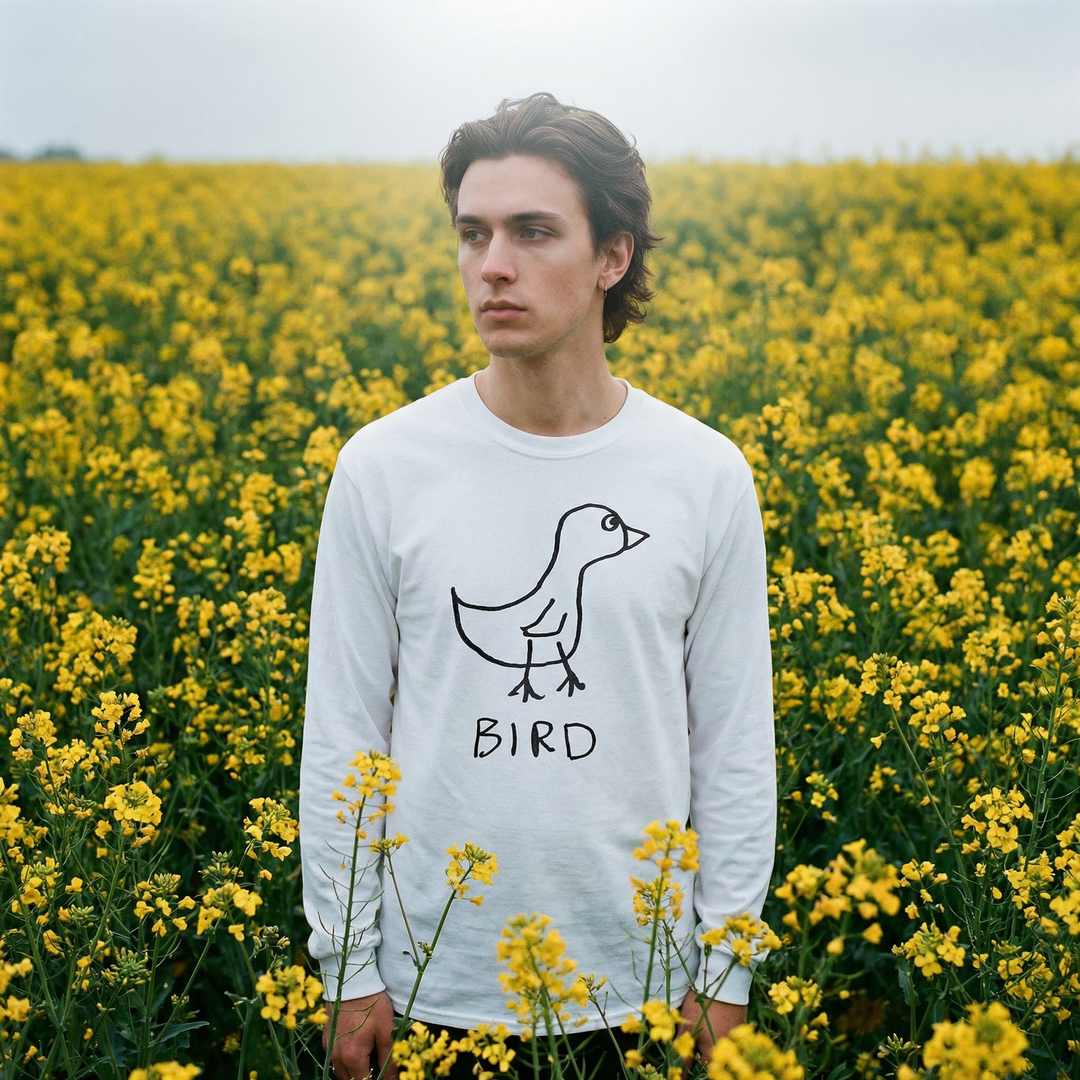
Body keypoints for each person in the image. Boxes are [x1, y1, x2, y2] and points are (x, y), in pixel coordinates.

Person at [299, 92, 776, 1080]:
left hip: (644, 989)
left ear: (614, 256)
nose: (493, 266)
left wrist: (726, 974)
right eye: (472, 234)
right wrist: (346, 967)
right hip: (434, 985)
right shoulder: (384, 466)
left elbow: (733, 745)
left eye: (532, 232)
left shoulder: (704, 475)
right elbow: (346, 731)